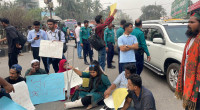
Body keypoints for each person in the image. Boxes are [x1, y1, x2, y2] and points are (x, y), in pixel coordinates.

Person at [175, 12, 200, 110]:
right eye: (188, 22)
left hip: (197, 88)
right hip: (189, 83)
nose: (188, 24)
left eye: (192, 22)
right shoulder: (191, 39)